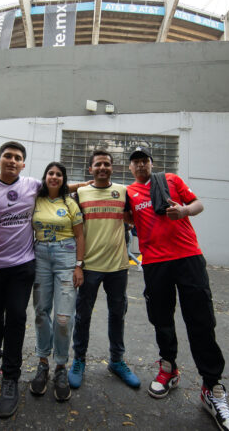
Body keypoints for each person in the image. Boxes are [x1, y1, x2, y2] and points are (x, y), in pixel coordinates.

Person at [0, 141, 88, 419]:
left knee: (19, 317)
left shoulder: (33, 186)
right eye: (7, 156)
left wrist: (89, 183)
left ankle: (11, 377)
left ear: (23, 164)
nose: (12, 161)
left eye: (17, 158)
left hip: (23, 265)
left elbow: (60, 185)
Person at [125, 146, 229, 431]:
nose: (140, 165)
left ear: (151, 163)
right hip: (154, 263)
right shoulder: (129, 193)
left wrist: (184, 211)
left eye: (144, 161)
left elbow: (198, 204)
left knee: (201, 321)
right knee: (161, 319)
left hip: (188, 258)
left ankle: (212, 387)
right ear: (130, 168)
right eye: (135, 162)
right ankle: (168, 369)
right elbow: (128, 218)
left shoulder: (171, 180)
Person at [68, 150, 141, 391]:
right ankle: (79, 360)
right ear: (90, 169)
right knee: (82, 316)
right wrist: (76, 265)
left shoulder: (123, 192)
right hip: (88, 267)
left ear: (112, 168)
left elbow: (133, 218)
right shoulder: (80, 193)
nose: (102, 168)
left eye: (106, 164)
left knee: (117, 314)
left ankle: (117, 361)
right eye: (98, 164)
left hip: (118, 267)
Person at [29, 162, 85, 402]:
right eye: (50, 173)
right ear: (45, 176)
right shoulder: (35, 198)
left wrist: (79, 265)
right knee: (41, 311)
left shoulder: (70, 203)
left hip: (66, 256)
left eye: (59, 174)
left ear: (63, 179)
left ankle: (61, 366)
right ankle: (43, 363)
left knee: (64, 317)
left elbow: (81, 234)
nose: (54, 177)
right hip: (40, 255)